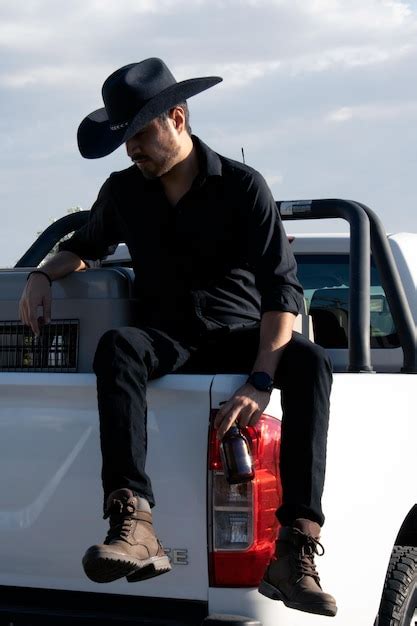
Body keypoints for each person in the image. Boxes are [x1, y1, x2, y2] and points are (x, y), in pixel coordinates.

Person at [19, 57, 337, 617]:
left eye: (141, 134)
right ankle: (134, 520)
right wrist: (42, 275)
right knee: (119, 346)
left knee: (309, 363)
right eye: (126, 139)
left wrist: (261, 379)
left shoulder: (242, 187)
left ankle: (295, 549)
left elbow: (283, 291)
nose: (132, 149)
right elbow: (87, 245)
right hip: (168, 339)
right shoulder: (123, 191)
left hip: (241, 335)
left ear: (178, 117)